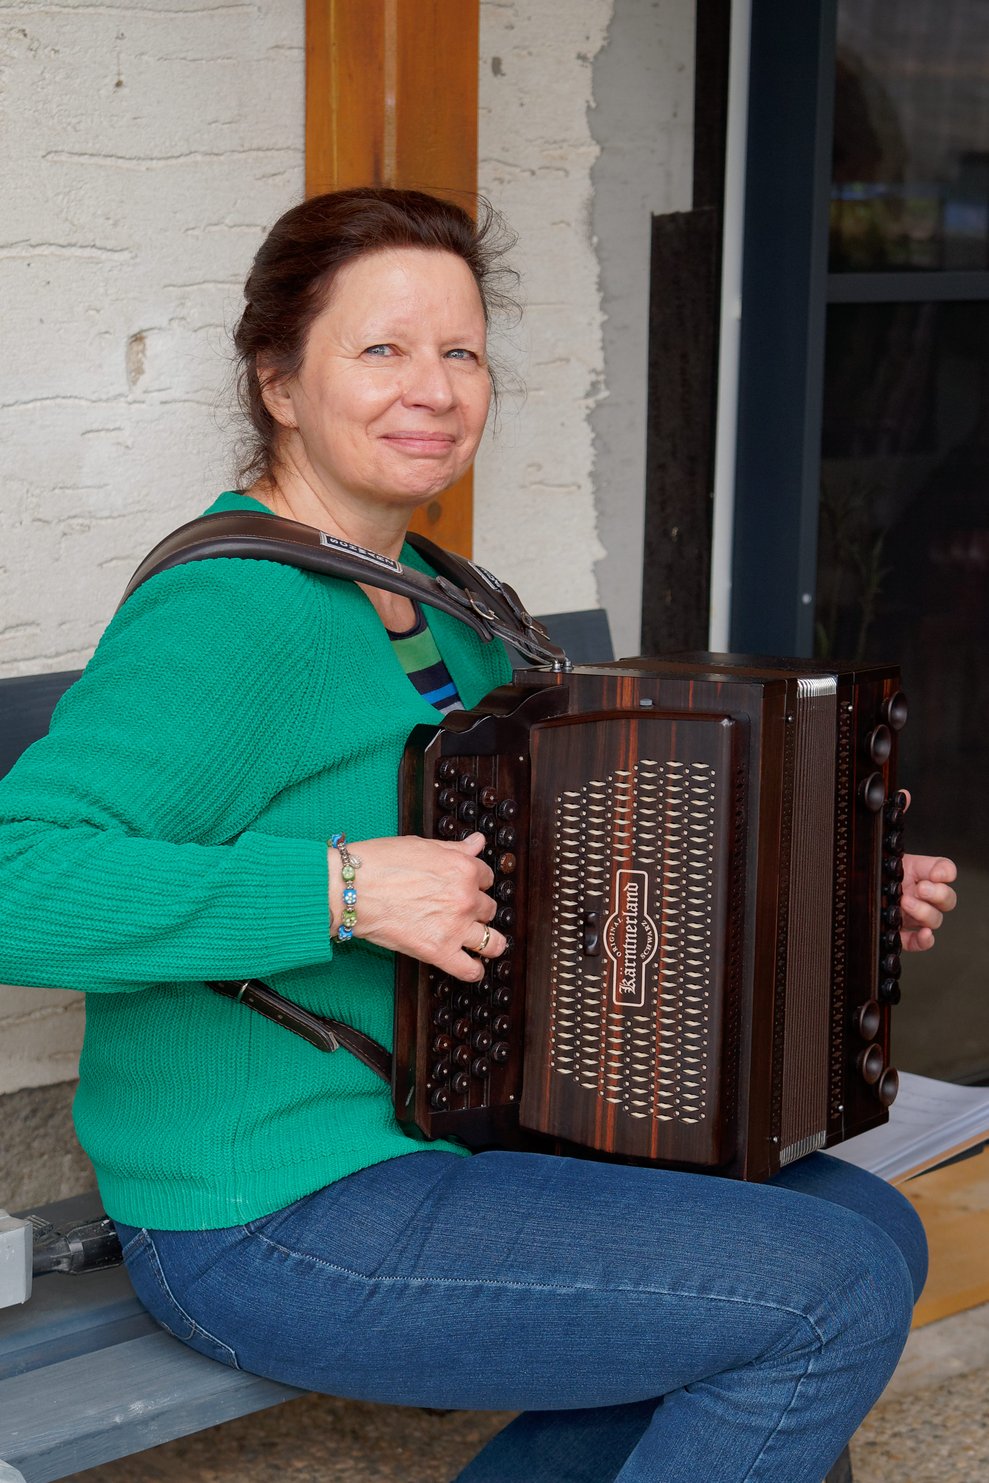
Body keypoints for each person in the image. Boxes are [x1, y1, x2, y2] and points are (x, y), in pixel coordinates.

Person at [0, 188, 959, 1482]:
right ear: (279, 382)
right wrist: (339, 891)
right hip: (269, 1207)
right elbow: (20, 880)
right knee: (820, 1292)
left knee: (867, 1233)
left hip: (441, 1139)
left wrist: (834, 895)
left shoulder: (447, 608)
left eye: (460, 352)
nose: (434, 388)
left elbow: (559, 881)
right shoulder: (230, 614)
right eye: (382, 349)